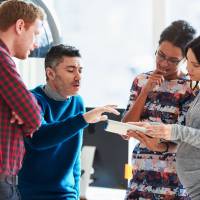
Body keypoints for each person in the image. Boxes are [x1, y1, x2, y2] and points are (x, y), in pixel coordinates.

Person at [18, 44, 120, 200]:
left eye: (80, 70)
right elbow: (39, 137)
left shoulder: (77, 102)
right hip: (31, 195)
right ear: (50, 73)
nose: (78, 77)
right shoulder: (32, 100)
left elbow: (74, 156)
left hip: (67, 195)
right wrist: (84, 119)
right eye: (71, 70)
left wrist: (77, 193)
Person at [122, 20, 196, 199]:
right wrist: (146, 90)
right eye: (161, 55)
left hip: (173, 183)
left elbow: (186, 139)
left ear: (185, 59)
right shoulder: (140, 81)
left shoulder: (190, 88)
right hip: (140, 177)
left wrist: (162, 146)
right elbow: (126, 129)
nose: (163, 64)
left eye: (173, 60)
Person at [0, 1, 45, 199]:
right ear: (20, 26)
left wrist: (25, 114)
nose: (36, 44)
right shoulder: (1, 59)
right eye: (35, 34)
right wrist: (27, 120)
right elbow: (34, 117)